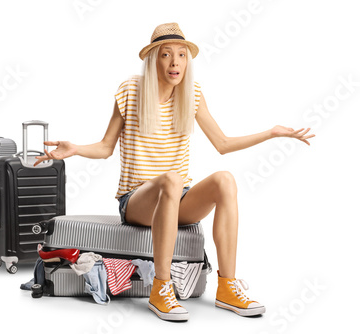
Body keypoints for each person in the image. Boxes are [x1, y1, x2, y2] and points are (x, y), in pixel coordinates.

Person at [34, 22, 314, 321]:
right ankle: (161, 288)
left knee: (225, 180)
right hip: (137, 201)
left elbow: (222, 143)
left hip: (178, 197)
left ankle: (227, 286)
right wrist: (75, 148)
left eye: (181, 55)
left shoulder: (191, 94)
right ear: (154, 58)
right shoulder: (130, 90)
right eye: (166, 54)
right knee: (171, 178)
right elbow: (105, 147)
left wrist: (271, 133)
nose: (175, 62)